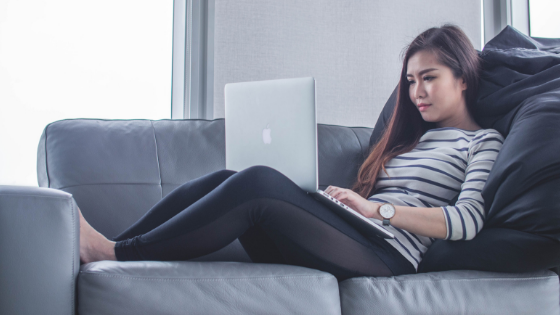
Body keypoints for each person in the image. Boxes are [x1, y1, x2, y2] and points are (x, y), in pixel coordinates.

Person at [79, 23, 504, 281]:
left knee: (258, 182)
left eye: (428, 78)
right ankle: (117, 246)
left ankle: (113, 253)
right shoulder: (412, 139)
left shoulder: (483, 141)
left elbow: (466, 221)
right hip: (353, 236)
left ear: (463, 77)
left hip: (390, 256)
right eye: (410, 81)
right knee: (232, 178)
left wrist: (378, 211)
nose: (416, 92)